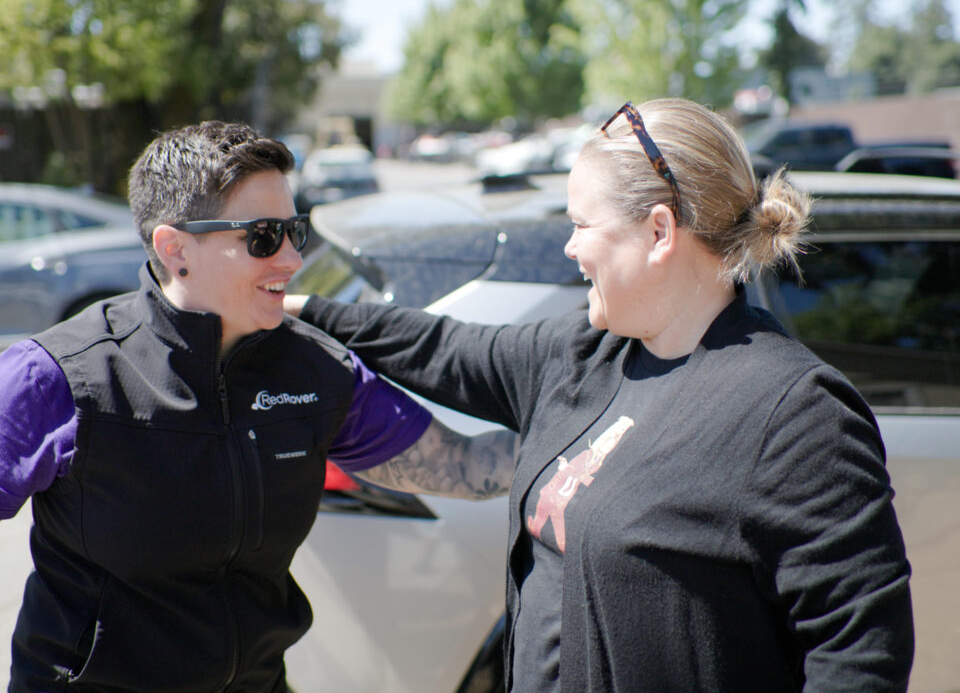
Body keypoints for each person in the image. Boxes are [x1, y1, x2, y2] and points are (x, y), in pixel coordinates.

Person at [284, 98, 915, 692]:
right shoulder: (584, 355)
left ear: (660, 231)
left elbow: (860, 653)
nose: (571, 247)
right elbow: (443, 348)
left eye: (582, 224)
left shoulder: (794, 413)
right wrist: (293, 310)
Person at [0, 121, 517, 692]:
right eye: (264, 236)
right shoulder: (61, 375)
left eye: (296, 231)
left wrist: (587, 436)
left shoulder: (317, 369)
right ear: (176, 249)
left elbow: (464, 466)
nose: (292, 259)